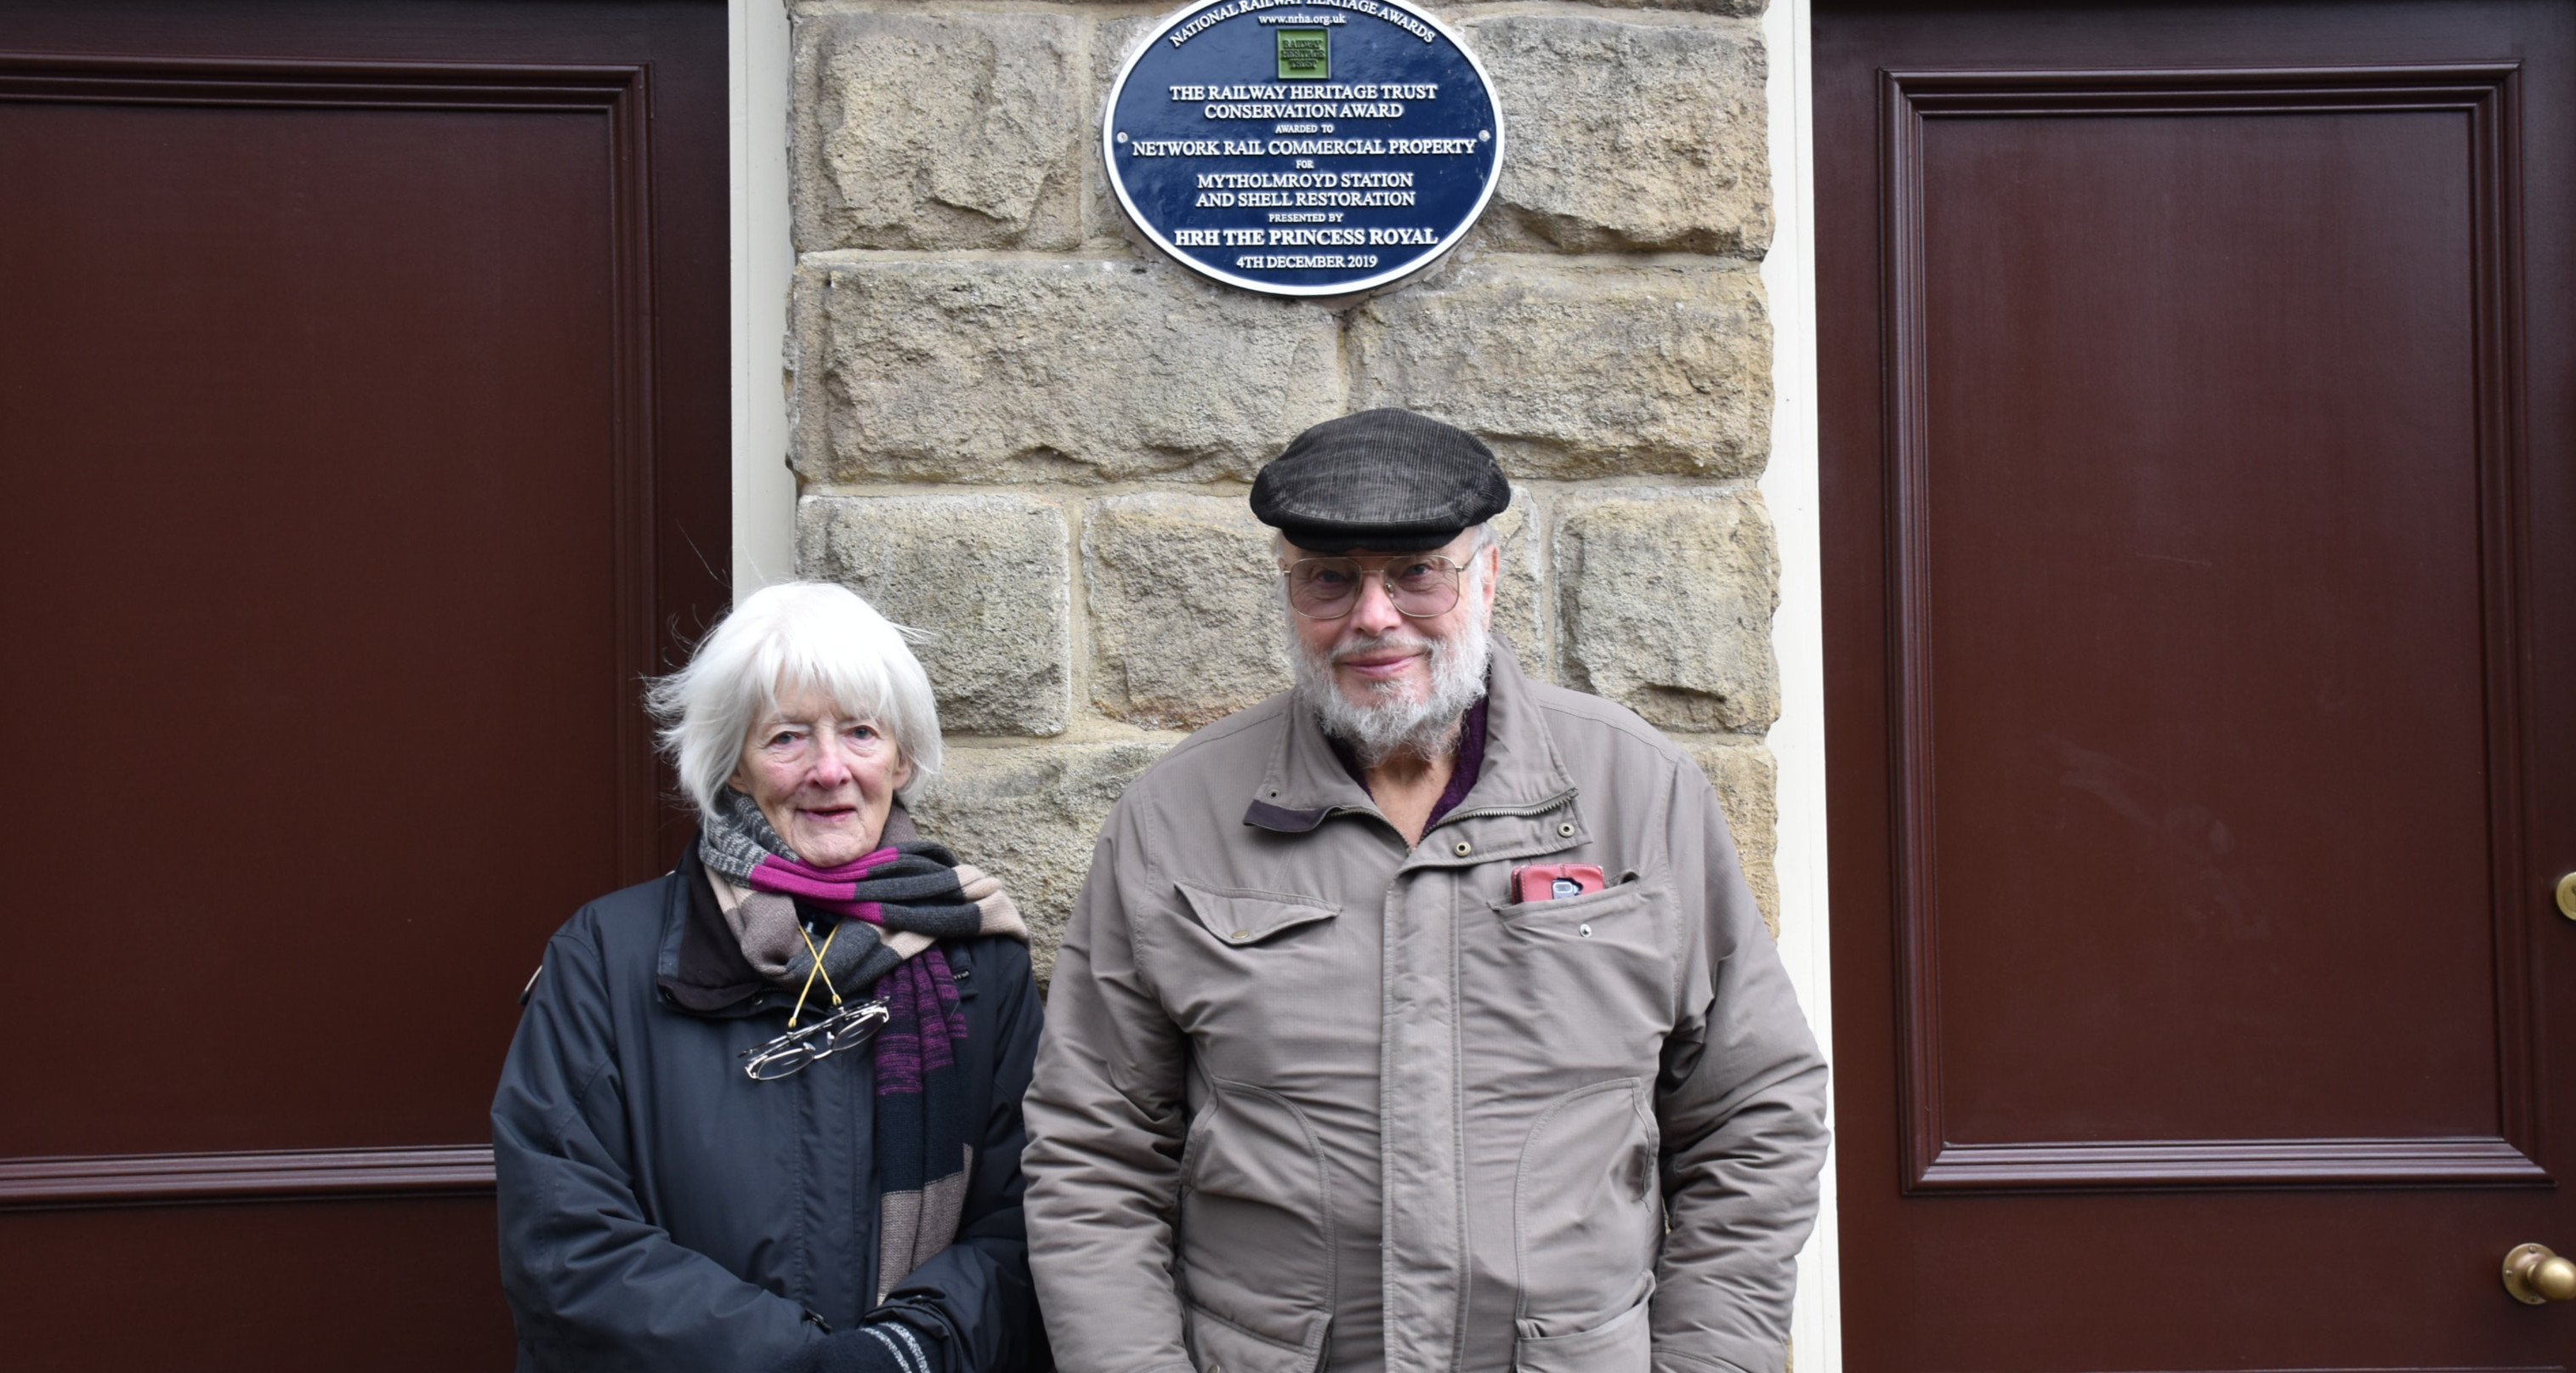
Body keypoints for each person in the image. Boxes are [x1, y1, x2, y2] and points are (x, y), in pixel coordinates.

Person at [1022, 409, 1829, 1373]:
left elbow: (1755, 1111)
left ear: (1486, 577)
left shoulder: (1638, 793)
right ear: (1288, 592)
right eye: (1330, 577)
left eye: (1416, 572)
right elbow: (1092, 1150)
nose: (1373, 616)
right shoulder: (1177, 817)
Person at [494, 582, 1048, 1373]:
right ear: (734, 769)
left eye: (861, 732)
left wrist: (908, 1349)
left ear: (902, 755)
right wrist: (800, 1364)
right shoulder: (604, 955)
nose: (830, 771)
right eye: (787, 738)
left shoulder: (979, 955)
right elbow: (562, 1236)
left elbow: (1030, 1213)